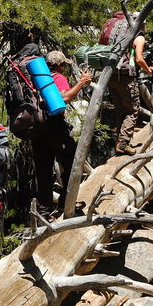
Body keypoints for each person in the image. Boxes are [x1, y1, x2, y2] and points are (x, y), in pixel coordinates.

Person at [31, 50, 92, 221]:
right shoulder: (56, 77)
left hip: (37, 130)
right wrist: (81, 83)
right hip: (55, 128)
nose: (64, 68)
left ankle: (42, 215)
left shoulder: (36, 78)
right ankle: (67, 202)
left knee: (43, 173)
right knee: (74, 164)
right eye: (63, 65)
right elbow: (64, 97)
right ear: (58, 65)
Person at [105, 13, 153, 155]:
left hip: (110, 75)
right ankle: (123, 144)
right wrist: (150, 70)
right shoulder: (138, 36)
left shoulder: (116, 34)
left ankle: (119, 141)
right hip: (126, 77)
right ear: (140, 23)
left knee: (120, 111)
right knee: (132, 110)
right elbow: (139, 59)